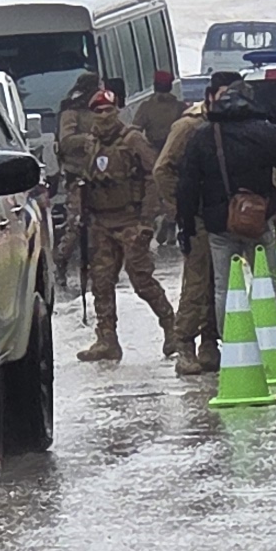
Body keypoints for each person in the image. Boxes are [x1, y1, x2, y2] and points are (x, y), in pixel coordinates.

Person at [169, 77, 276, 374]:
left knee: (223, 289)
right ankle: (271, 344)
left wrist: (186, 226)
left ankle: (234, 347)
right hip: (258, 219)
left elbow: (187, 185)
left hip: (218, 225)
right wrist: (273, 200)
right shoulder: (264, 132)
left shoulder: (203, 136)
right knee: (269, 284)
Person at [70, 82, 174, 362]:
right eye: (98, 111)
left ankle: (171, 326)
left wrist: (147, 220)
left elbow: (154, 176)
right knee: (101, 282)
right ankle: (106, 340)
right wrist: (79, 214)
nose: (104, 116)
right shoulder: (91, 143)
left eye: (108, 110)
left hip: (130, 220)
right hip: (101, 223)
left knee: (141, 279)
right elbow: (84, 181)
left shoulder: (132, 140)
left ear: (117, 111)